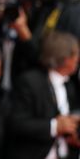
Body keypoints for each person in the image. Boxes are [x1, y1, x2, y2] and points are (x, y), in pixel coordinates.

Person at [6, 31, 80, 159]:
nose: (77, 59)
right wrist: (54, 126)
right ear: (66, 59)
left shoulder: (69, 86)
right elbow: (16, 123)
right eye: (76, 55)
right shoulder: (30, 82)